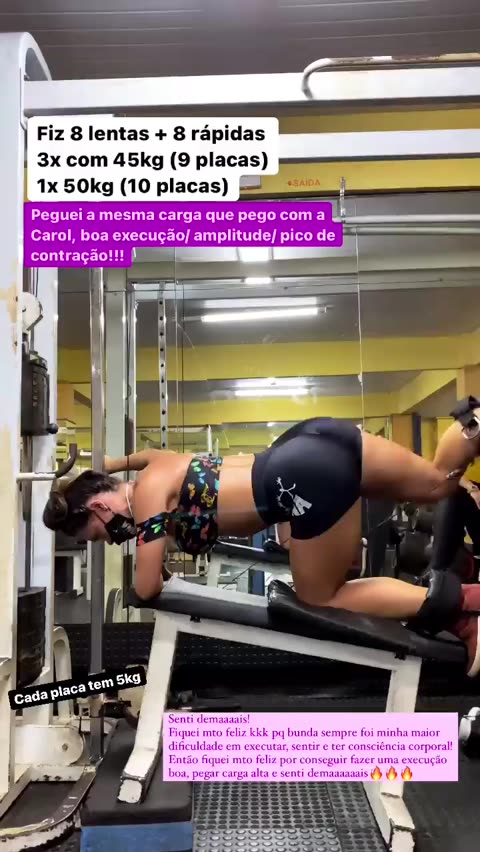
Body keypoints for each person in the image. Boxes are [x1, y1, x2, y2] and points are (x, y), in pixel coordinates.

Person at [43, 412, 480, 676]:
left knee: (320, 597)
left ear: (99, 507)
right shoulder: (158, 464)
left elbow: (147, 587)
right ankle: (472, 422)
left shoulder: (146, 498)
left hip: (300, 479)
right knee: (437, 482)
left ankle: (465, 611)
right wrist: (107, 462)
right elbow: (135, 458)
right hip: (315, 438)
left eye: (98, 534)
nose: (109, 540)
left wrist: (143, 534)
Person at [427, 396, 480, 580]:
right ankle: (436, 576)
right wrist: (472, 489)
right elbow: (446, 471)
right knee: (452, 494)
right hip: (470, 491)